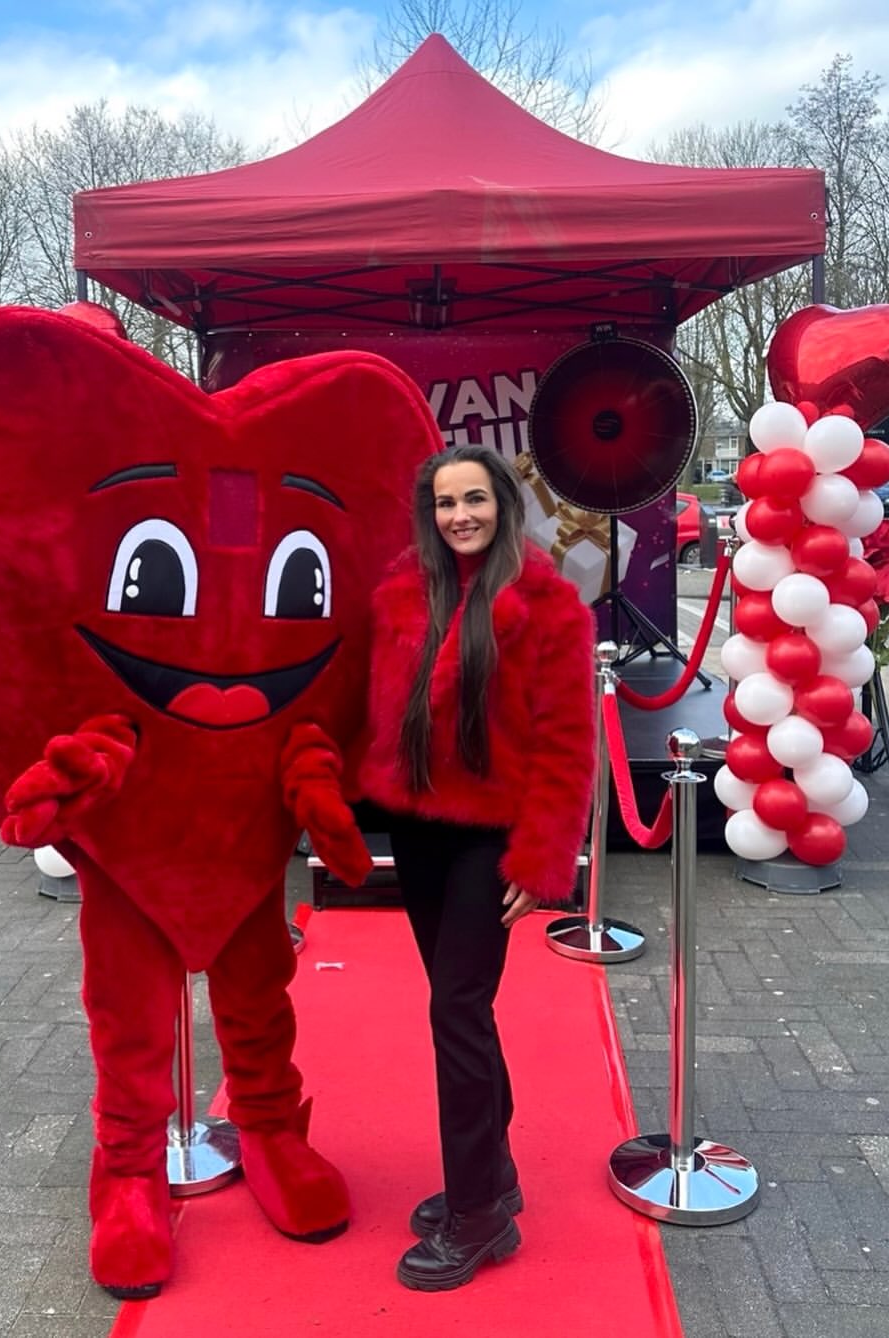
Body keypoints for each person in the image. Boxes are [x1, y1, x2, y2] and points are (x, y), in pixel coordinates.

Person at [358, 443, 595, 1292]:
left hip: (490, 838)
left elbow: (568, 743)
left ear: (503, 505)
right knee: (462, 1008)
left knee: (455, 1010)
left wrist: (544, 853)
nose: (459, 515)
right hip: (418, 826)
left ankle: (477, 1214)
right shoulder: (401, 593)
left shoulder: (550, 606)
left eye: (474, 500)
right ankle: (491, 1174)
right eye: (445, 502)